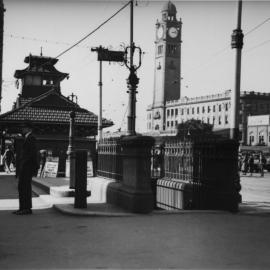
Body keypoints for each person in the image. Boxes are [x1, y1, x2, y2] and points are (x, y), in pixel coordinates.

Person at [13, 121, 39, 215]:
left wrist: (24, 166)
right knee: (22, 188)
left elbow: (31, 154)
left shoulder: (31, 138)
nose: (22, 129)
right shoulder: (27, 138)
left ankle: (26, 208)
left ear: (29, 129)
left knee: (25, 188)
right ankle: (22, 208)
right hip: (25, 167)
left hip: (27, 168)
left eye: (24, 127)